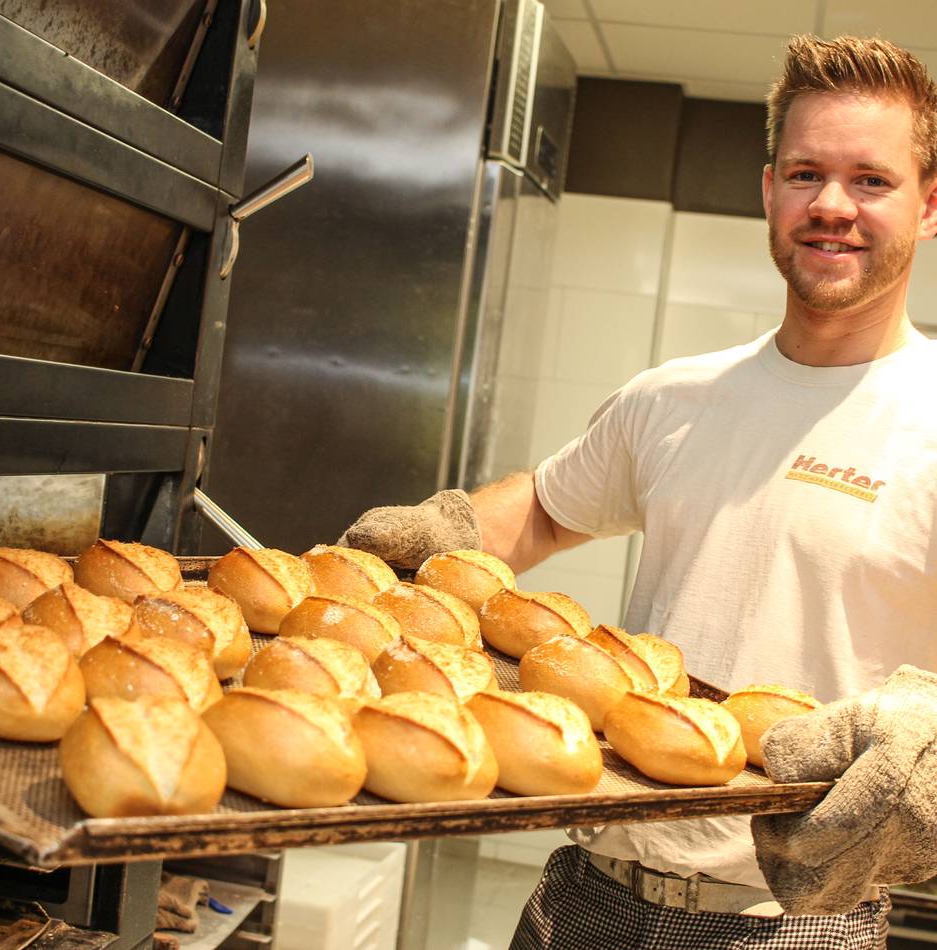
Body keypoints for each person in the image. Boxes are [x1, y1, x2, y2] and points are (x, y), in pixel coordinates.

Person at [342, 34, 937, 949]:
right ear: (767, 189)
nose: (831, 206)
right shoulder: (674, 398)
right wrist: (444, 527)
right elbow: (545, 508)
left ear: (930, 205)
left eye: (871, 181)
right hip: (585, 892)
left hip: (793, 924)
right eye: (806, 173)